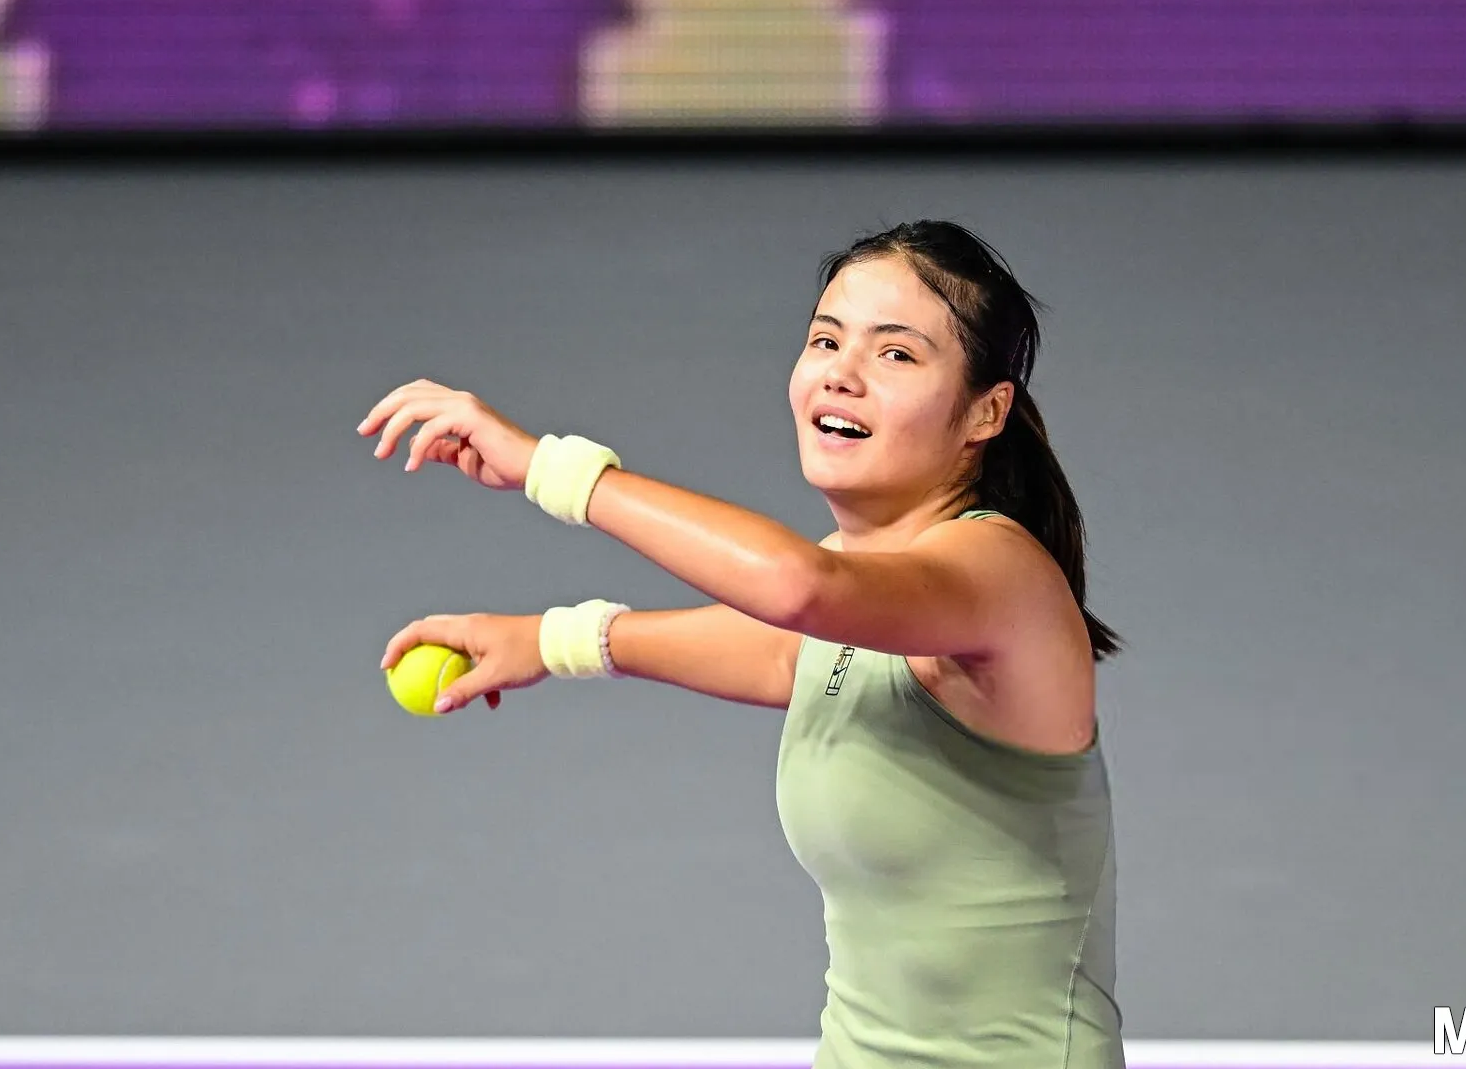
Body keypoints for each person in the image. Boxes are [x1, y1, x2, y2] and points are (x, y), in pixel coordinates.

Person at [359, 220, 1125, 1069]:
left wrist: (550, 469)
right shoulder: (868, 594)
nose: (841, 372)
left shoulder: (1001, 574)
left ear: (987, 410)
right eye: (826, 340)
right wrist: (556, 637)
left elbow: (798, 591)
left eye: (896, 354)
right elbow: (787, 649)